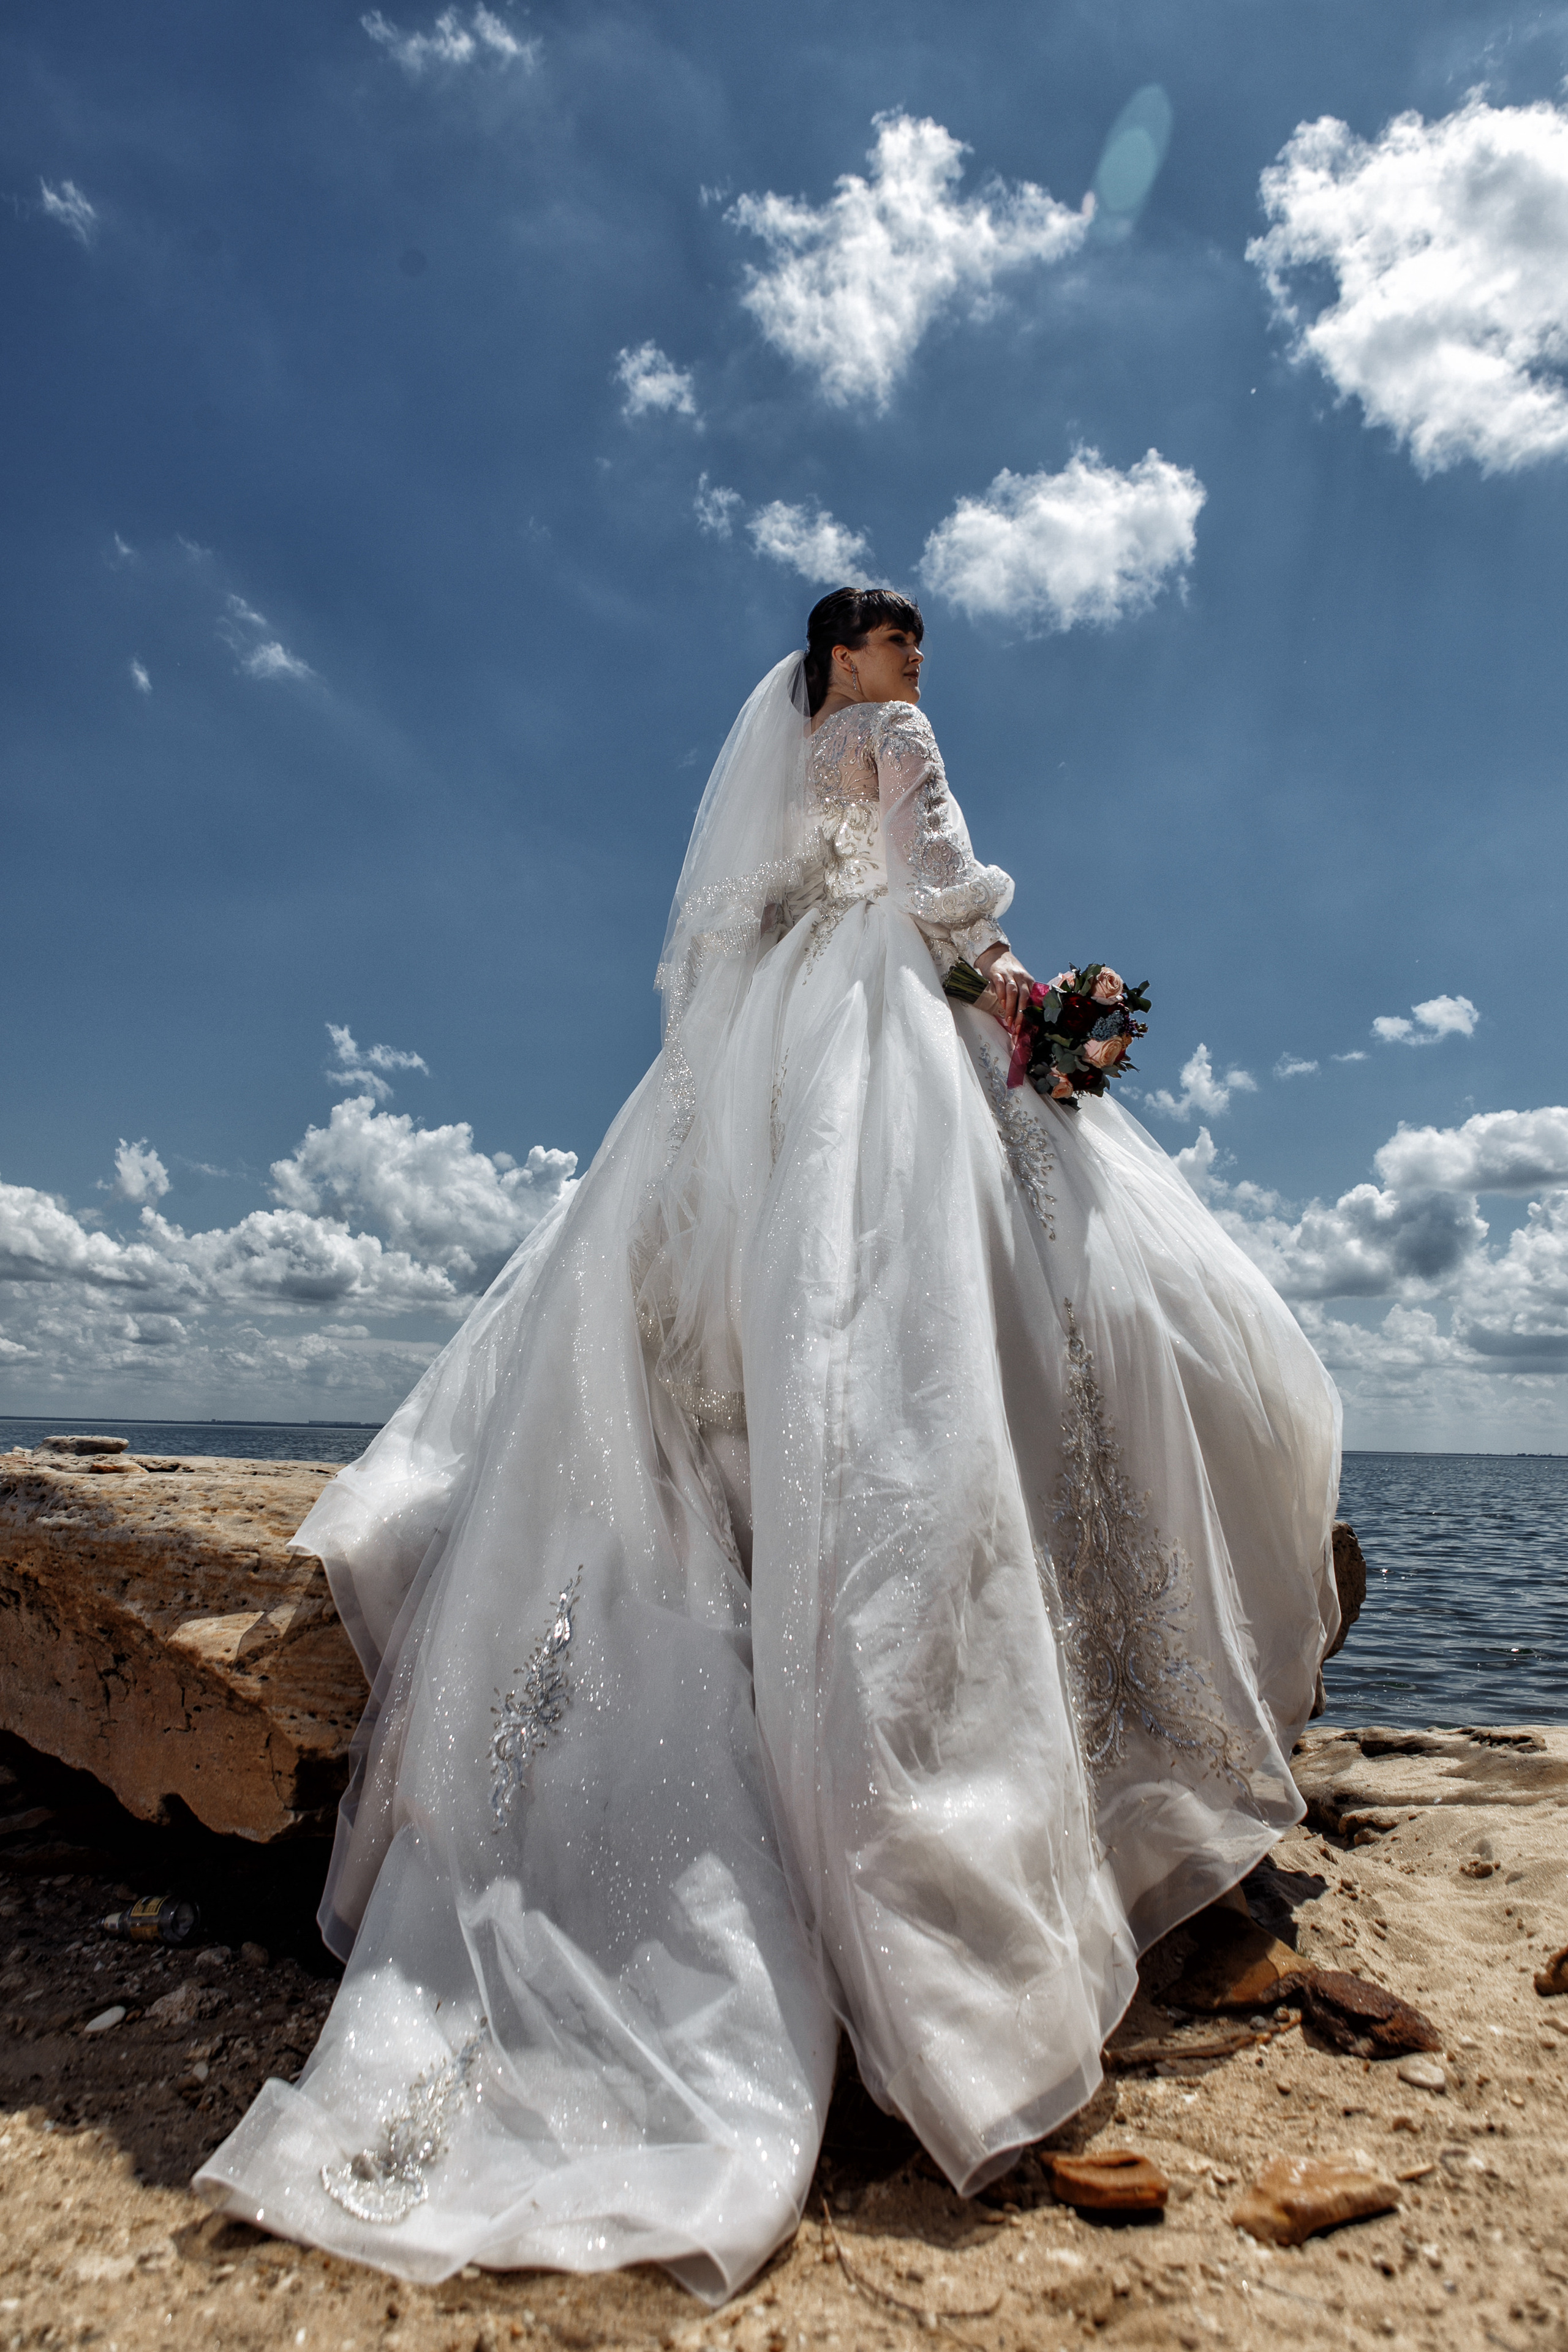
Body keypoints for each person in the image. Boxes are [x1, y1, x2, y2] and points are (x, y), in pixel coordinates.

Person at [196, 588, 1341, 2302]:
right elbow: (950, 905)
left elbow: (713, 949)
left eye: (918, 649)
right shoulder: (894, 745)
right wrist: (1044, 1018)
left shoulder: (779, 771)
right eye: (901, 643)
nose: (921, 665)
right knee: (947, 1328)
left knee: (754, 1324)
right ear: (853, 660)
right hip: (882, 1027)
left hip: (767, 1041)